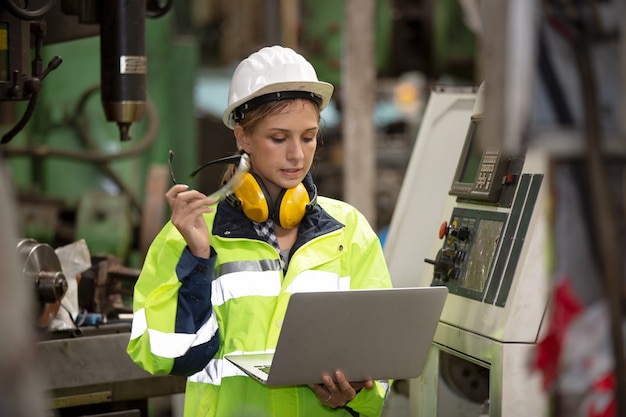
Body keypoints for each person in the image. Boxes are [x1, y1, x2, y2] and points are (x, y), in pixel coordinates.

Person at [127, 45, 393, 417]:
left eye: (309, 136)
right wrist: (199, 261)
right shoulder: (191, 233)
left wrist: (353, 395)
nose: (297, 155)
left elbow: (382, 357)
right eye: (279, 138)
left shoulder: (349, 231)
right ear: (243, 137)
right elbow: (165, 355)